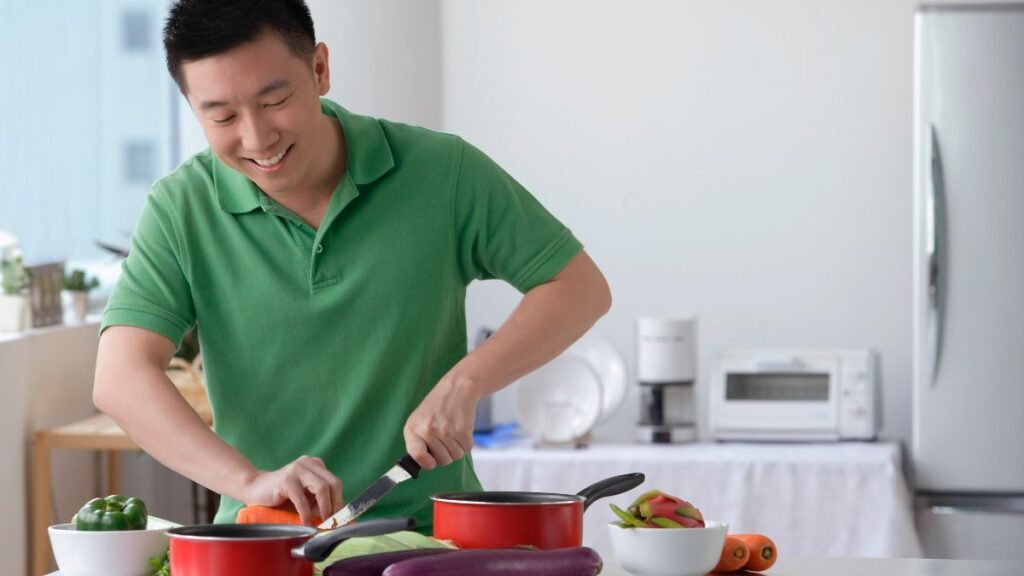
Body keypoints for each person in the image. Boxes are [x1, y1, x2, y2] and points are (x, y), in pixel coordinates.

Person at [93, 0, 611, 531]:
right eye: (221, 116)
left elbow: (578, 286)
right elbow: (120, 376)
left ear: (319, 69)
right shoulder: (181, 209)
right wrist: (250, 483)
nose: (256, 138)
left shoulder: (442, 172)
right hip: (265, 541)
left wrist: (466, 383)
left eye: (274, 101)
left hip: (433, 542)